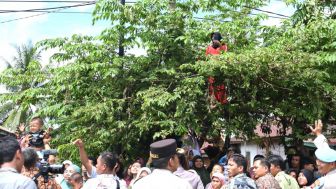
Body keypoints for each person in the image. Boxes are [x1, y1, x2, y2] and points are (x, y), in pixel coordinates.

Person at [310, 119, 336, 189]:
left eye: (321, 161)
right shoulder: (330, 172)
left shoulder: (330, 183)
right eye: (317, 159)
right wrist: (318, 133)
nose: (317, 163)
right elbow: (325, 148)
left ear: (332, 164)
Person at [205, 32, 228, 107]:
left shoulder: (224, 46)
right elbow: (206, 60)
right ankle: (213, 103)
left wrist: (220, 45)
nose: (213, 42)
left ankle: (222, 101)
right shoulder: (209, 48)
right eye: (212, 40)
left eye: (214, 40)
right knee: (212, 87)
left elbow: (225, 56)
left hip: (220, 72)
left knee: (221, 87)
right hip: (212, 73)